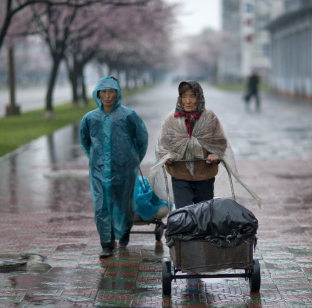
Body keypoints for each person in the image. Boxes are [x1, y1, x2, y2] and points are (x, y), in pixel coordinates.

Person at [148, 80, 261, 210]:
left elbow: (219, 142)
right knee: (184, 213)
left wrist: (215, 154)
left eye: (192, 96)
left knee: (204, 213)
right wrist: (167, 157)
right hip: (180, 174)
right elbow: (164, 144)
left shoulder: (209, 117)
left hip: (204, 175)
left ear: (199, 97)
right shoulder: (172, 119)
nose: (188, 101)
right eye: (184, 96)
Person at [79, 76, 148, 258]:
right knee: (101, 205)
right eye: (103, 92)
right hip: (99, 170)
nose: (107, 96)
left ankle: (124, 231)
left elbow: (142, 139)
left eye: (111, 91)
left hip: (125, 169)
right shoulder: (90, 119)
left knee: (123, 203)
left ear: (117, 93)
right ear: (98, 94)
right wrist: (95, 158)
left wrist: (133, 160)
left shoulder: (128, 115)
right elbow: (85, 141)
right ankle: (106, 244)